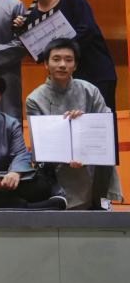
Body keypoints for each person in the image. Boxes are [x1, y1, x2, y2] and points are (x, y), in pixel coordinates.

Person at [25, 38, 121, 209]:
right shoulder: (35, 99)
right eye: (56, 59)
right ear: (46, 64)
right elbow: (41, 145)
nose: (62, 65)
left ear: (75, 65)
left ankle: (101, 203)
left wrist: (84, 122)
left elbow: (105, 128)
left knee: (104, 160)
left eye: (68, 60)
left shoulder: (90, 90)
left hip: (92, 157)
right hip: (56, 163)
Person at [19, 0, 117, 109]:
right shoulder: (31, 15)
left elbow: (87, 30)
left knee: (102, 119)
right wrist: (20, 30)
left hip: (96, 70)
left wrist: (60, 50)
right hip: (64, 80)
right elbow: (38, 55)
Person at [0, 71, 65, 209]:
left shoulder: (11, 123)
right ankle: (27, 208)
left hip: (4, 178)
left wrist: (15, 173)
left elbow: (21, 154)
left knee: (41, 185)